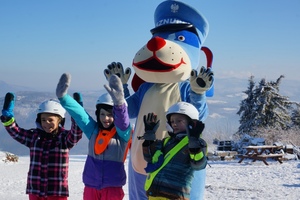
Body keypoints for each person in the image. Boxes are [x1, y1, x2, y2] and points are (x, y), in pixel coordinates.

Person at [55, 73, 132, 200]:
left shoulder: (123, 136)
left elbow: (123, 123)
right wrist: (64, 98)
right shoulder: (94, 131)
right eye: (102, 114)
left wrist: (119, 105)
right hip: (91, 187)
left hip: (112, 188)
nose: (105, 118)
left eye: (110, 114)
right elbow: (81, 116)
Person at [0, 93, 83, 200]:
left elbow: (76, 133)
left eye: (51, 120)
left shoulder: (64, 139)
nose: (46, 123)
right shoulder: (34, 137)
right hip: (35, 190)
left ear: (60, 120)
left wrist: (78, 112)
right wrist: (8, 118)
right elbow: (16, 132)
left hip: (56, 191)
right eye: (43, 120)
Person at [140, 102, 208, 200]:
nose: (174, 124)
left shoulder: (199, 143)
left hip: (175, 196)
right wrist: (149, 137)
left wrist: (194, 143)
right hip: (154, 194)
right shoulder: (166, 142)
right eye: (172, 121)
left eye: (179, 121)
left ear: (192, 123)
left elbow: (198, 165)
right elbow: (149, 158)